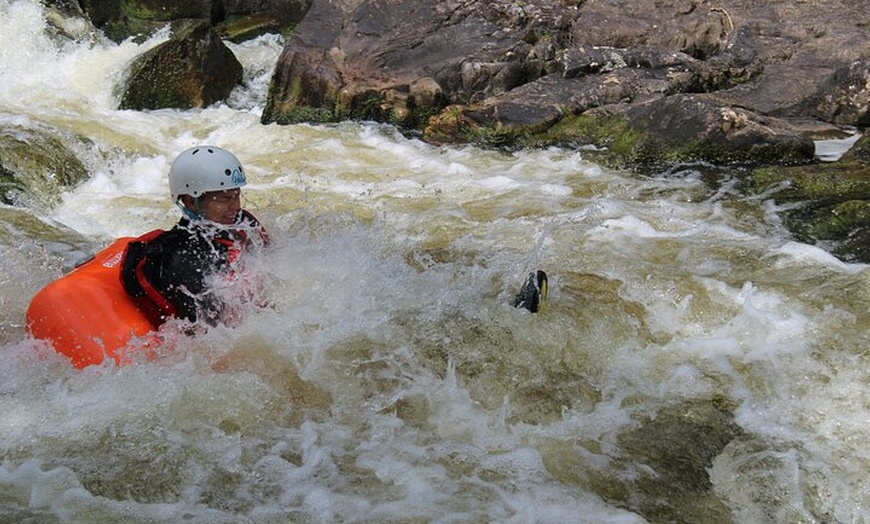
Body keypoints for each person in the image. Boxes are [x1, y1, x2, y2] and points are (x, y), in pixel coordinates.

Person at [120, 146, 270, 327]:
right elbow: (211, 332)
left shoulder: (241, 222)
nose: (235, 206)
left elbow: (273, 259)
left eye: (236, 195)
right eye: (223, 198)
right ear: (190, 201)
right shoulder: (182, 260)